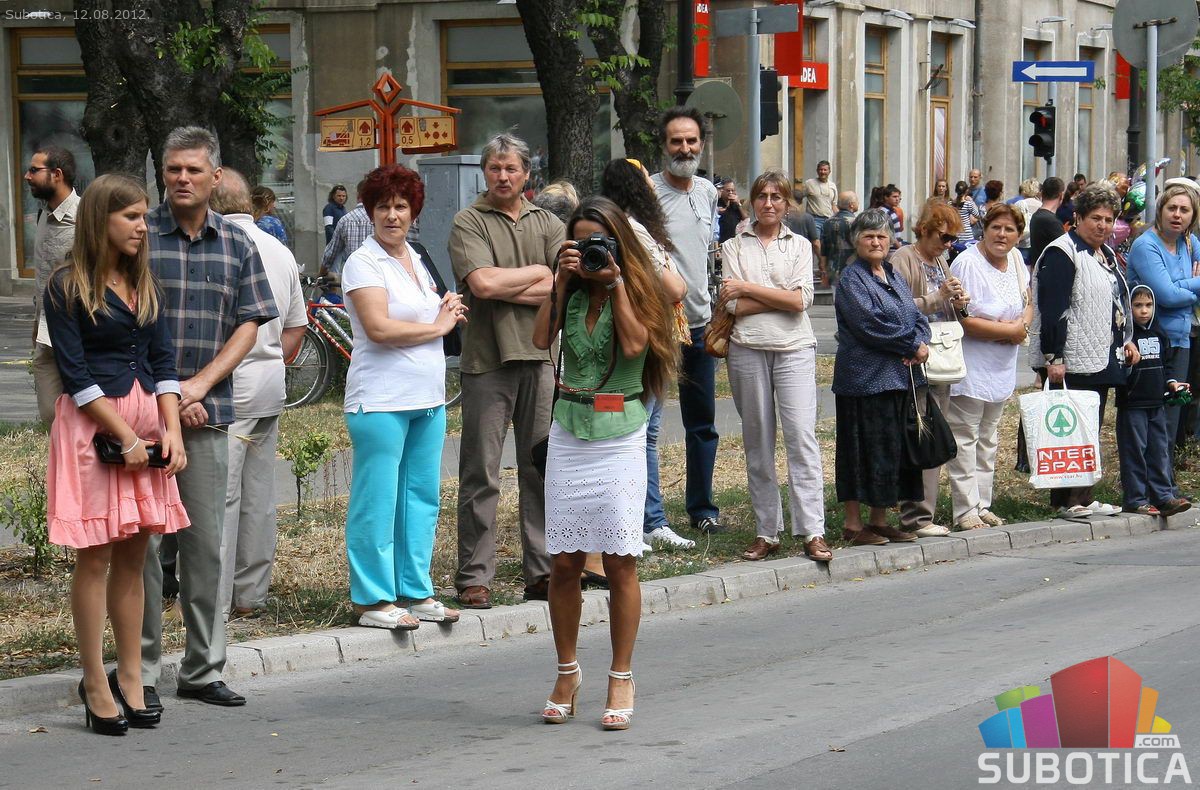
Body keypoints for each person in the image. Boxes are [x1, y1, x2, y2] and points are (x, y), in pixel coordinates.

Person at [44, 173, 188, 735]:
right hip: (93, 436)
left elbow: (164, 362)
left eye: (145, 216)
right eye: (131, 216)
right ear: (99, 219)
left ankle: (131, 675)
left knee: (134, 558)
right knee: (95, 558)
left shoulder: (145, 284)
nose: (142, 226)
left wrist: (171, 430)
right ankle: (94, 682)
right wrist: (125, 437)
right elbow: (75, 375)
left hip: (146, 436)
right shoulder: (65, 287)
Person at [142, 126, 278, 710]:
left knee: (206, 548)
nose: (182, 178)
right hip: (142, 416)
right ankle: (140, 672)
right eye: (173, 169)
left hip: (209, 412)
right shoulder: (139, 235)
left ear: (215, 177)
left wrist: (198, 386)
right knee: (145, 549)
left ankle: (202, 669)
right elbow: (120, 323)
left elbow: (250, 323)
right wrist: (169, 395)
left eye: (193, 169)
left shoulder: (238, 242)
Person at [532, 196, 677, 731]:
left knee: (619, 561)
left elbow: (636, 346)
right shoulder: (569, 290)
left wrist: (614, 281)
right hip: (570, 429)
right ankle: (567, 672)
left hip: (620, 433)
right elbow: (540, 339)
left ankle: (621, 675)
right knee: (565, 562)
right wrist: (560, 280)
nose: (590, 250)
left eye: (600, 241)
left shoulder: (640, 288)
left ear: (618, 242)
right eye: (580, 241)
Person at [342, 164, 467, 629]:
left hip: (427, 397)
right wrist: (438, 326)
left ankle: (416, 591)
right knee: (377, 500)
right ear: (369, 212)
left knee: (421, 499)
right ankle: (373, 599)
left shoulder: (417, 256)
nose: (392, 215)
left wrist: (447, 308)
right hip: (380, 400)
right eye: (383, 207)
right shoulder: (363, 262)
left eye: (400, 206)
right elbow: (378, 327)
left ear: (414, 211)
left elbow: (429, 313)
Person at [450, 133, 560, 609]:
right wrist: (538, 275)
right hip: (487, 361)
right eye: (494, 168)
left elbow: (562, 285)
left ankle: (543, 572)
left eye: (511, 168)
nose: (502, 176)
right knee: (482, 472)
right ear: (484, 172)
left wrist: (508, 284)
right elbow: (481, 284)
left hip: (541, 359)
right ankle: (475, 576)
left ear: (526, 173)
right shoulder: (468, 221)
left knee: (541, 469)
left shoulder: (549, 222)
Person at [211, 170, 308, 618]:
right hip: (270, 383)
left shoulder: (218, 246)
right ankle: (251, 594)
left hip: (227, 385)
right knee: (258, 495)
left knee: (221, 496)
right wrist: (271, 358)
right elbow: (296, 326)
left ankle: (213, 600)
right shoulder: (279, 250)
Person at [721, 172, 831, 562]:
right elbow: (731, 305)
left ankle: (813, 530)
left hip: (794, 348)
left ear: (787, 203)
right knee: (758, 441)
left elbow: (801, 301)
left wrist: (749, 289)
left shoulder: (798, 244)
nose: (769, 203)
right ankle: (767, 531)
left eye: (777, 197)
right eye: (762, 196)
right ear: (751, 201)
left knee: (801, 438)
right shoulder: (733, 246)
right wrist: (778, 297)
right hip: (747, 349)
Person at [600, 158, 693, 551]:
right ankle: (642, 521)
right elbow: (673, 288)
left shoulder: (623, 225)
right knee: (639, 434)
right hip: (645, 340)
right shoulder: (631, 227)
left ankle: (645, 519)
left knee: (641, 433)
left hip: (647, 338)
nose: (654, 186)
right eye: (646, 180)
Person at [1030, 183, 1135, 518]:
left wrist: (1127, 339)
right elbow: (1052, 308)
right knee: (1071, 432)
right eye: (1095, 218)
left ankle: (1081, 498)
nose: (1102, 225)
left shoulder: (1105, 255)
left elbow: (1116, 302)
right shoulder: (1062, 252)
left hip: (1100, 354)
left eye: (1108, 219)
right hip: (1072, 359)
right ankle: (1068, 500)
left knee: (1090, 429)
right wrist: (1054, 357)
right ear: (1077, 217)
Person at [833, 209, 930, 545]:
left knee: (889, 450)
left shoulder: (892, 274)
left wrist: (920, 343)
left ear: (891, 241)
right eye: (868, 236)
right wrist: (911, 345)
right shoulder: (851, 279)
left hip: (898, 377)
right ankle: (853, 525)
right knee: (859, 450)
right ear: (856, 241)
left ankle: (879, 521)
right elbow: (869, 324)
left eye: (881, 236)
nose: (876, 242)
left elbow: (916, 316)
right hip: (862, 380)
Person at [650, 106, 725, 534]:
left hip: (700, 324)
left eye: (691, 140)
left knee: (703, 424)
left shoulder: (708, 192)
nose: (684, 148)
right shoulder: (649, 192)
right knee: (646, 427)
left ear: (702, 143)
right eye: (676, 141)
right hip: (658, 325)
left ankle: (702, 511)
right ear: (664, 145)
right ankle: (650, 518)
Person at [945, 205, 1033, 530]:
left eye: (1010, 229)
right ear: (984, 228)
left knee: (988, 438)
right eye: (996, 227)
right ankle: (965, 510)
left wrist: (1022, 326)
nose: (1002, 234)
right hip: (972, 364)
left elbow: (1028, 301)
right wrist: (1011, 332)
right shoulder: (967, 263)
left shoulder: (1016, 260)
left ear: (1018, 235)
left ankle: (983, 504)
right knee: (965, 437)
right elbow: (965, 320)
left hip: (1001, 366)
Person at [891, 200, 969, 537]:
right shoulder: (903, 258)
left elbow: (945, 304)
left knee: (933, 433)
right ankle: (916, 517)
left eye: (953, 239)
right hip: (915, 359)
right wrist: (938, 296)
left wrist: (960, 303)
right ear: (924, 229)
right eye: (943, 236)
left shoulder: (940, 260)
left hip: (942, 356)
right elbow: (897, 308)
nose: (948, 244)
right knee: (920, 434)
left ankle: (925, 515)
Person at [1126, 182, 1200, 464]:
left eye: (1184, 210)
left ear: (1193, 216)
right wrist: (1193, 285)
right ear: (1160, 210)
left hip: (1182, 338)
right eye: (1172, 208)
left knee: (1172, 413)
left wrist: (1180, 286)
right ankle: (1148, 479)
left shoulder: (1189, 243)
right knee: (1152, 417)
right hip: (1151, 342)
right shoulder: (1146, 246)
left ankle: (1164, 479)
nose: (1177, 214)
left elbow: (1171, 290)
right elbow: (1165, 296)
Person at [1116, 286, 1191, 517]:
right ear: (1129, 308)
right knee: (1135, 452)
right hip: (1133, 404)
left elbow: (1166, 365)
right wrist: (1126, 360)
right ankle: (1136, 499)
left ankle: (1163, 497)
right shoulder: (1125, 338)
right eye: (1137, 305)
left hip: (1156, 404)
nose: (1144, 311)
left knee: (1159, 450)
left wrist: (1172, 383)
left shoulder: (1159, 333)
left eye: (1148, 305)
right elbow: (1118, 368)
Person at [26, 145, 80, 425]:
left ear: (57, 174)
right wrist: (37, 323)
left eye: (34, 170)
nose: (27, 176)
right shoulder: (43, 215)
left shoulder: (85, 217)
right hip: (45, 336)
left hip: (79, 337)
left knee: (83, 419)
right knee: (52, 417)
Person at [320, 179, 371, 278]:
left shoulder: (344, 211)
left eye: (343, 196)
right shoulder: (329, 208)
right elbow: (329, 227)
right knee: (334, 273)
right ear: (333, 196)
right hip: (337, 245)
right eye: (339, 196)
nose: (341, 198)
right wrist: (334, 242)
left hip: (342, 248)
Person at [819, 191, 858, 287]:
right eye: (857, 201)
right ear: (851, 205)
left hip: (832, 268)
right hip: (852, 268)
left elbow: (824, 248)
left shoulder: (828, 222)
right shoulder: (856, 222)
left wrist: (823, 268)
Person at [1029, 177, 1066, 266]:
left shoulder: (1036, 215)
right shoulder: (1052, 221)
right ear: (1061, 195)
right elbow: (1066, 249)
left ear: (1042, 193)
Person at [799, 160, 838, 234]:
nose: (822, 172)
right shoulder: (809, 183)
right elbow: (798, 198)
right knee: (816, 240)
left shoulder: (832, 186)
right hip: (814, 220)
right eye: (820, 170)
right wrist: (798, 214)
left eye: (825, 170)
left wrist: (839, 217)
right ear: (817, 171)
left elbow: (834, 205)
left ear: (829, 171)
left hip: (829, 220)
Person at [952, 180, 983, 247]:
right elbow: (978, 215)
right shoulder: (968, 204)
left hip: (955, 235)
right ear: (966, 191)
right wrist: (972, 201)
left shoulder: (950, 204)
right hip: (967, 235)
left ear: (956, 190)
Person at [717, 178, 746, 243]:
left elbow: (745, 218)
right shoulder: (717, 204)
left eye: (732, 190)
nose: (730, 193)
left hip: (734, 241)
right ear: (722, 190)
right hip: (721, 241)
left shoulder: (735, 204)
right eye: (728, 190)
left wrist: (739, 204)